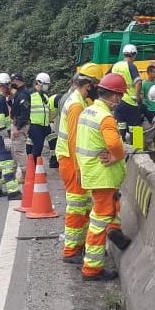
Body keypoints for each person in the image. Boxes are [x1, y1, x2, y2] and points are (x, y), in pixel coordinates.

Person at [76, 73, 132, 281]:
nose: (119, 102)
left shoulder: (87, 111)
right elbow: (115, 145)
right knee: (99, 220)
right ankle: (92, 269)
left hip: (91, 172)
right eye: (120, 97)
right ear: (115, 97)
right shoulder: (105, 117)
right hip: (103, 176)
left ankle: (114, 231)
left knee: (109, 208)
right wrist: (117, 156)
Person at [57, 63, 102, 264]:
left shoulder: (78, 100)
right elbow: (74, 139)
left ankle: (79, 245)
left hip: (71, 160)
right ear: (89, 85)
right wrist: (78, 168)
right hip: (71, 161)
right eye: (96, 85)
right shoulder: (76, 105)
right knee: (76, 207)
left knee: (82, 205)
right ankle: (71, 251)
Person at [110, 44, 144, 140]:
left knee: (121, 125)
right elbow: (138, 82)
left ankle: (122, 148)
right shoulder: (131, 66)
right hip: (130, 101)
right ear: (133, 54)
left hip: (117, 101)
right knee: (136, 126)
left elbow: (106, 79)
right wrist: (137, 96)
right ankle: (138, 148)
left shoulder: (115, 66)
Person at [27, 72, 53, 164]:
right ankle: (32, 167)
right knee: (38, 146)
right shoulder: (30, 94)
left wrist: (50, 119)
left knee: (39, 147)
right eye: (46, 84)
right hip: (34, 125)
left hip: (44, 126)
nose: (47, 86)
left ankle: (35, 168)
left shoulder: (45, 96)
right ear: (40, 83)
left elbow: (47, 109)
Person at [8, 73, 31, 175]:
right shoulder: (17, 92)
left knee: (19, 151)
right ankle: (12, 174)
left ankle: (26, 174)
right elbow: (10, 102)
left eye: (12, 81)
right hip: (16, 124)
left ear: (16, 81)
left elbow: (24, 114)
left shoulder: (23, 95)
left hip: (20, 125)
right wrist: (12, 91)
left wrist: (18, 127)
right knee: (14, 150)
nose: (11, 84)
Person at [141, 64, 155, 148]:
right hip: (149, 109)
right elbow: (142, 97)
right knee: (150, 127)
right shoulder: (144, 84)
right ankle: (148, 144)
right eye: (154, 72)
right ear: (149, 73)